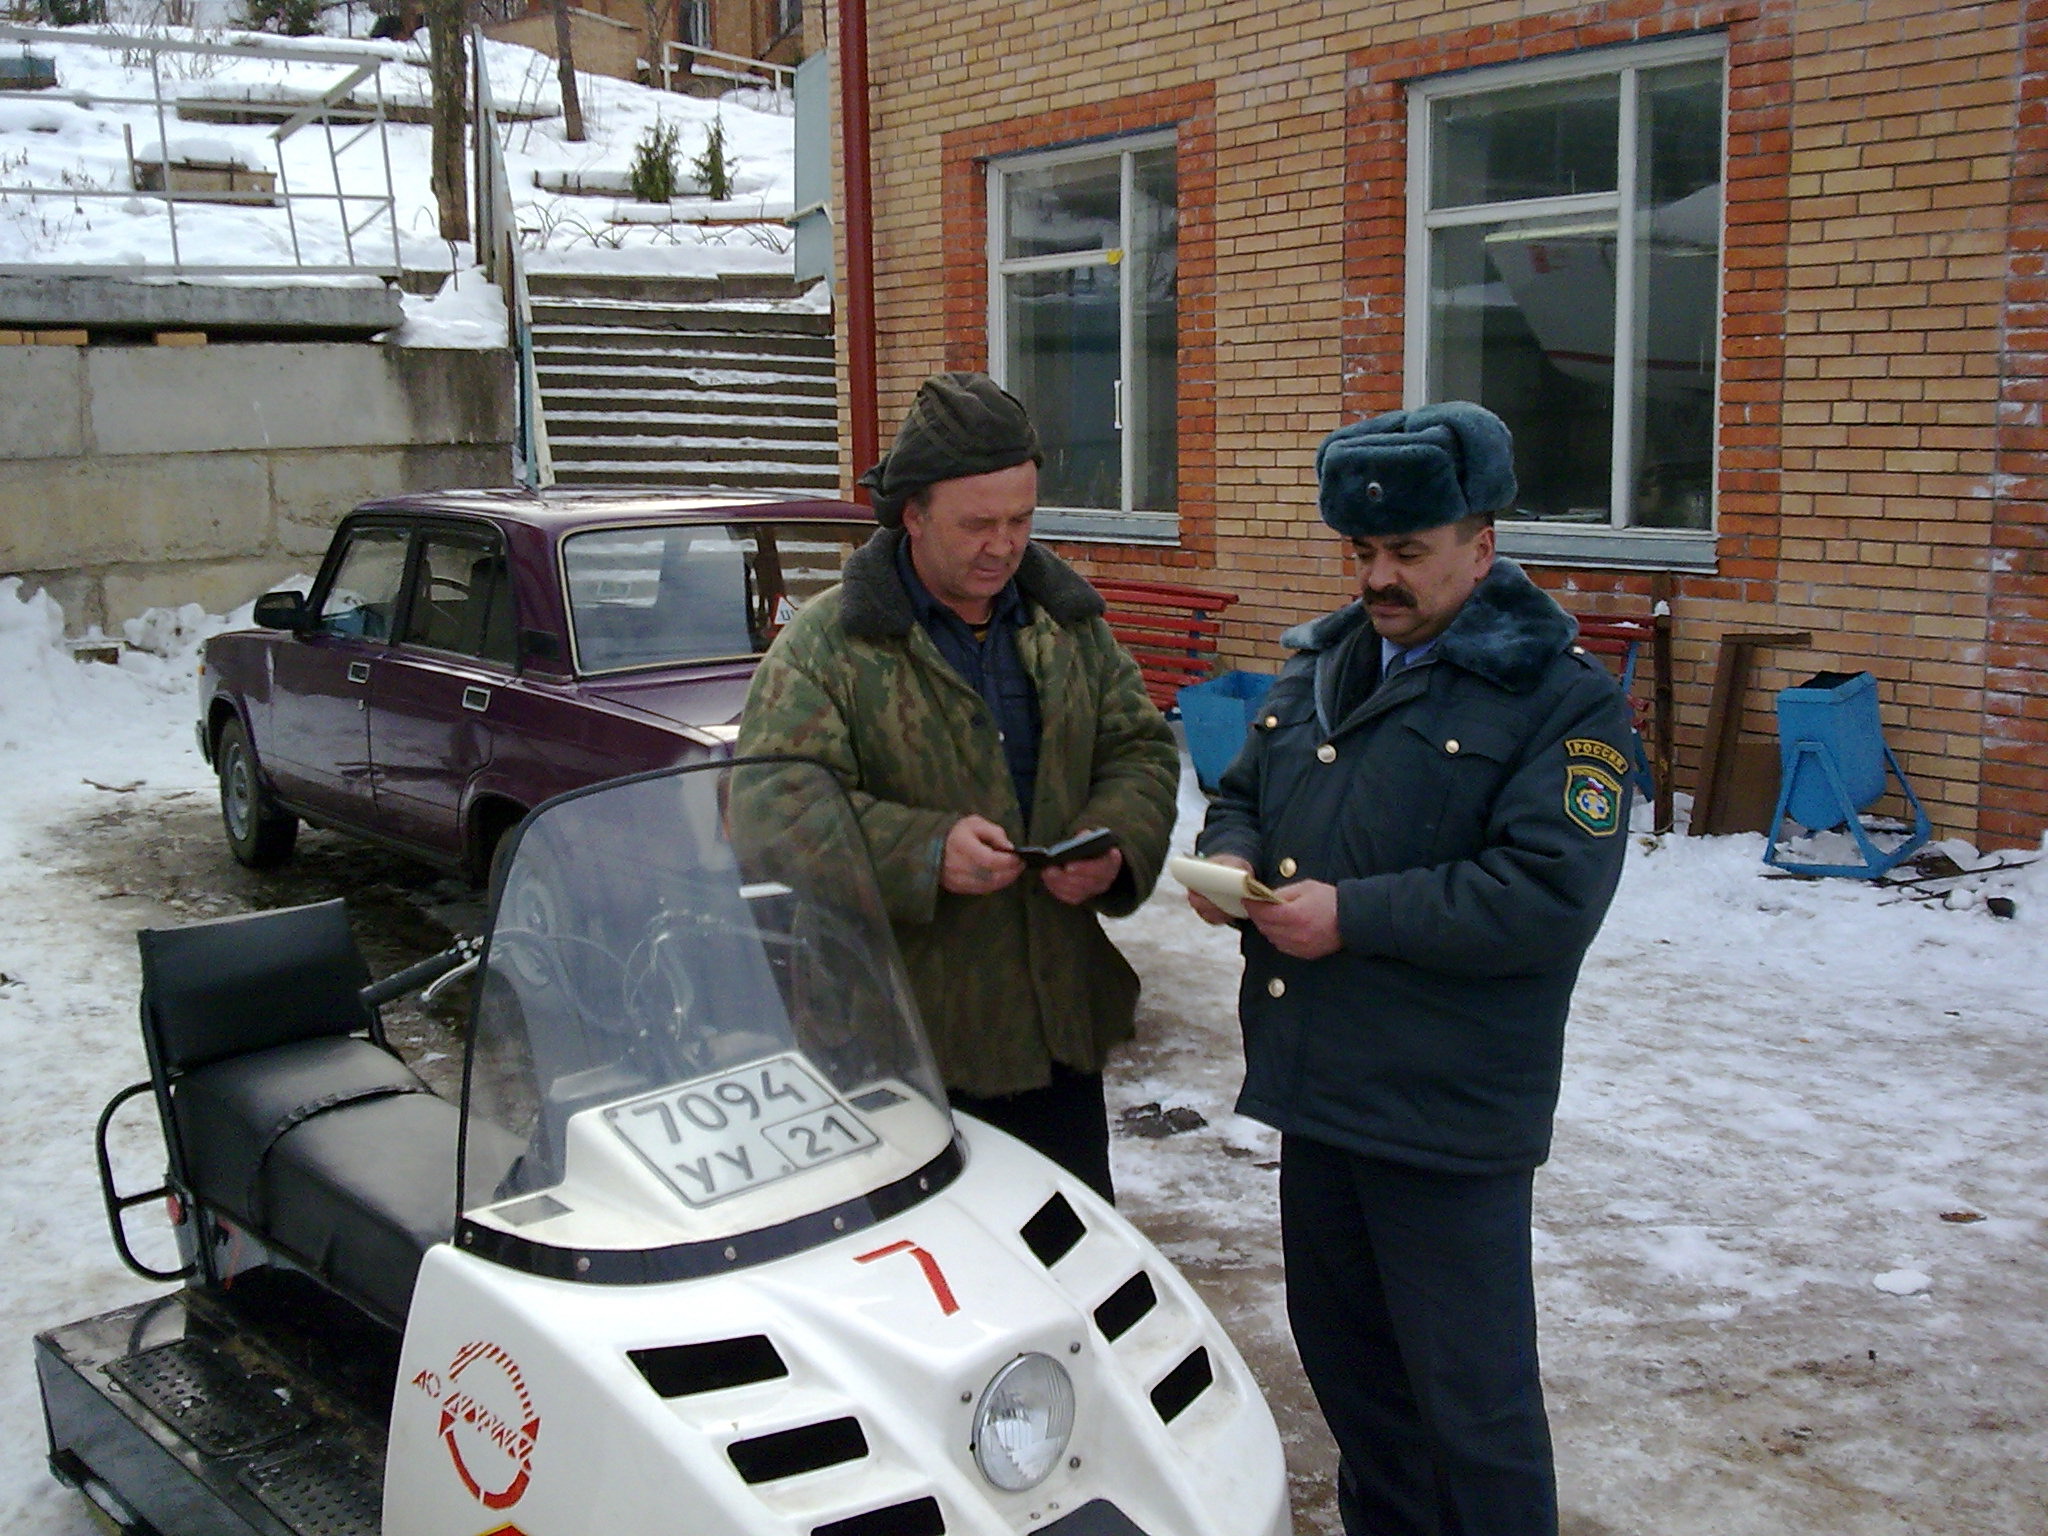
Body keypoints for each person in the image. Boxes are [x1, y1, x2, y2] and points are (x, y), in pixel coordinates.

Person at [1188, 402, 1633, 1536]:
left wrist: (1354, 917)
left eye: (1408, 553)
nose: (1379, 578)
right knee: (1360, 1394)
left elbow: (1547, 894)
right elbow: (1244, 790)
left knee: (1470, 1413)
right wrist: (1230, 855)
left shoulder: (1559, 697)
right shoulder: (1321, 665)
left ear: (1479, 547)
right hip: (1322, 1095)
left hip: (1444, 1115)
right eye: (1363, 553)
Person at [739, 371, 1179, 1202]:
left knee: (1065, 1271)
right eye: (977, 524)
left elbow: (1141, 751)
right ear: (912, 515)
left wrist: (1114, 843)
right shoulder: (828, 646)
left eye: (1021, 521)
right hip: (898, 1056)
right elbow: (770, 811)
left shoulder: (1067, 624)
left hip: (1056, 1041)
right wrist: (925, 850)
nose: (1004, 546)